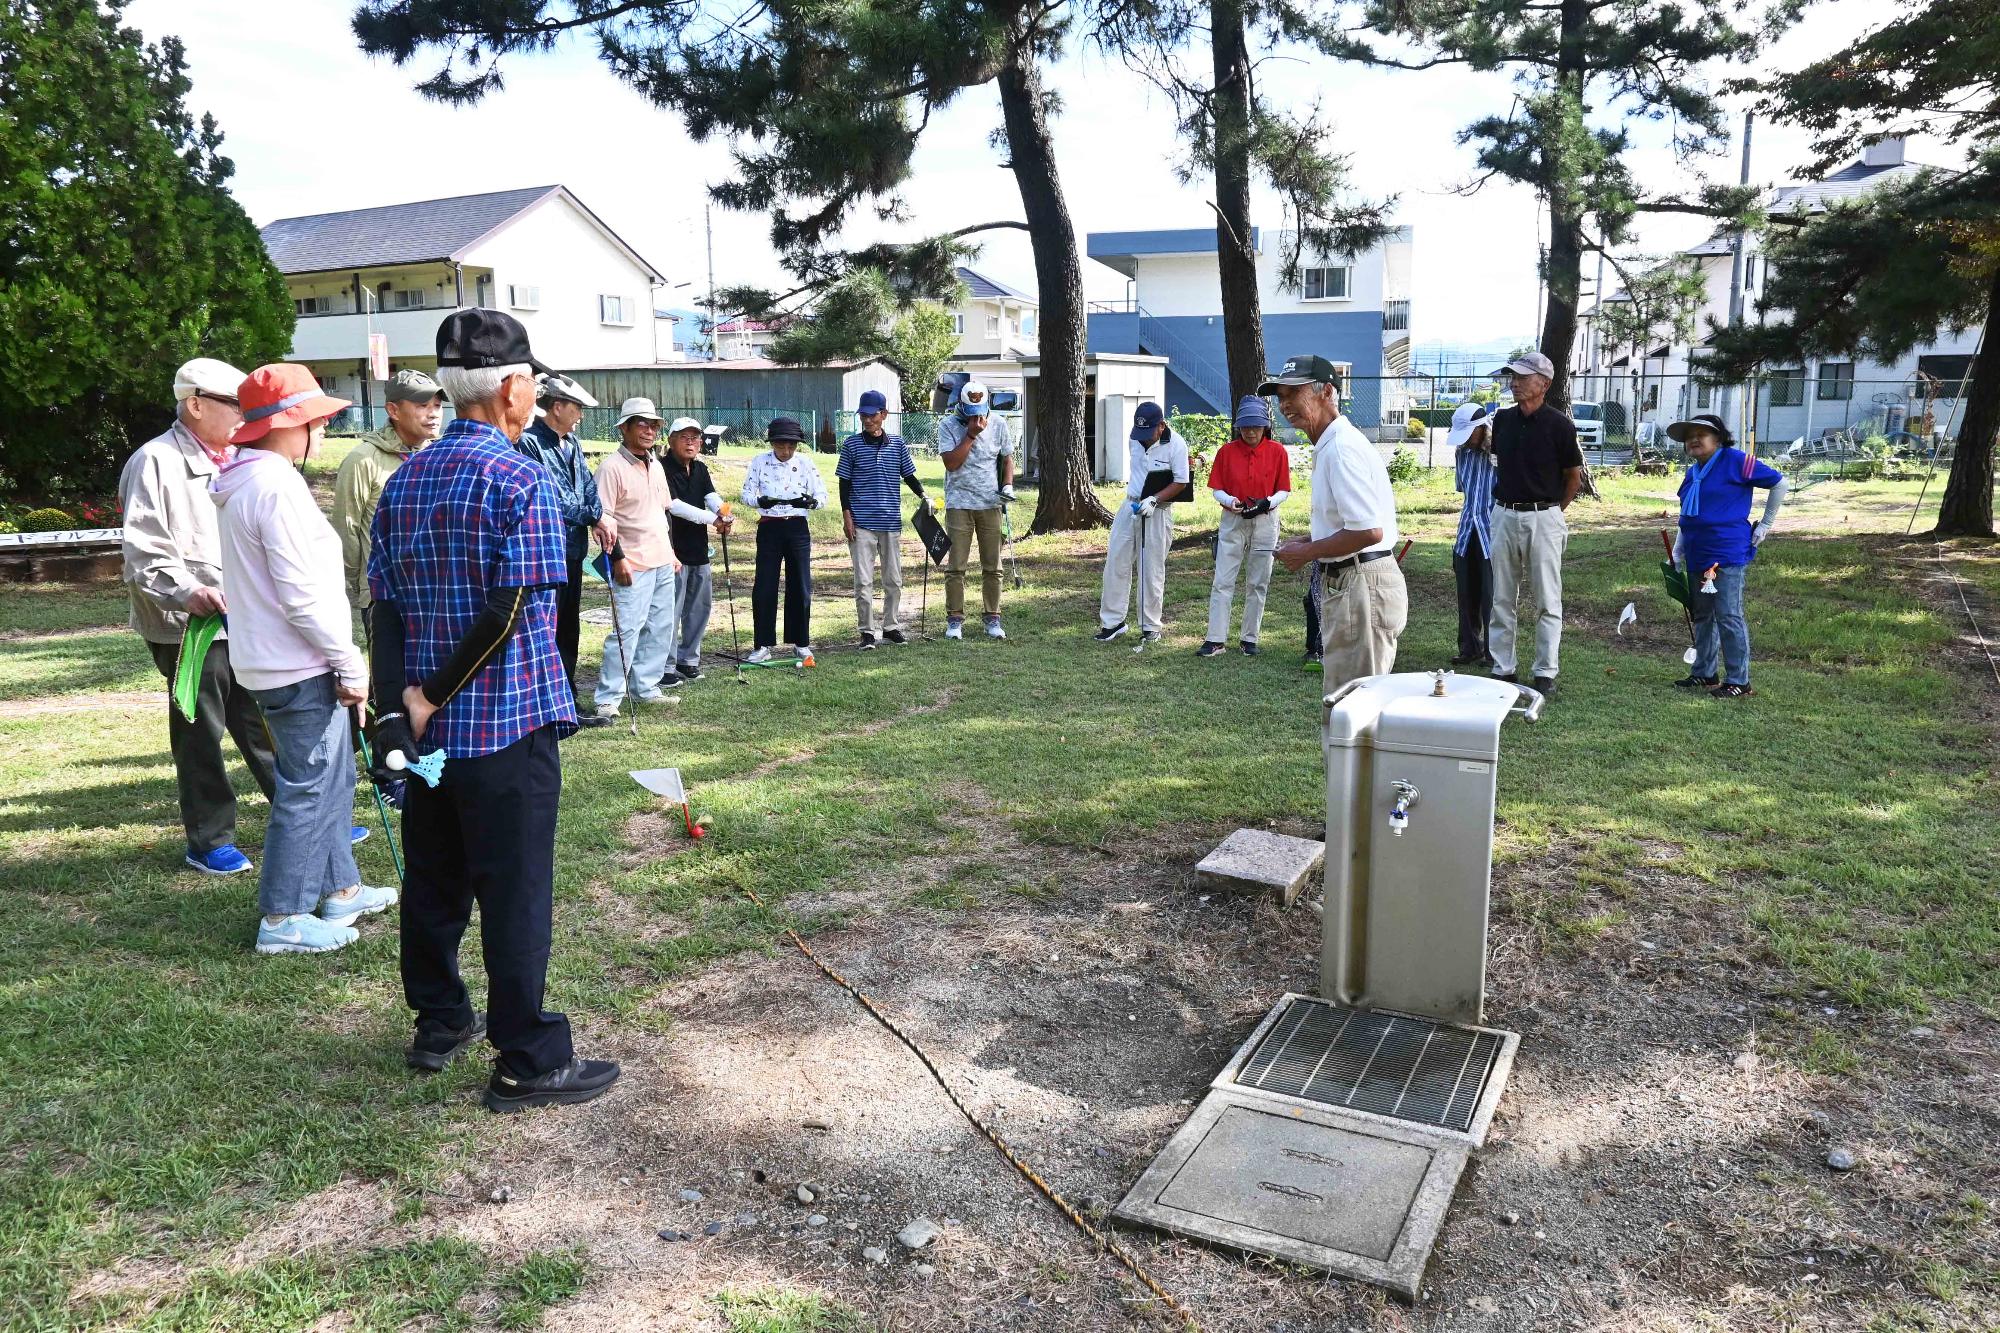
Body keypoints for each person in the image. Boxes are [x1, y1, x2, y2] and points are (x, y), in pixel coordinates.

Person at [368, 309, 618, 1112]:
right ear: (512, 388)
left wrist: (396, 707)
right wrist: (432, 692)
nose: (535, 391)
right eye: (533, 380)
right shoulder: (522, 480)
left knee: (435, 876)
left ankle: (439, 1020)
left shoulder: (405, 478)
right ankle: (528, 1058)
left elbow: (385, 608)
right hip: (501, 726)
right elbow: (510, 608)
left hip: (427, 733)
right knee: (514, 889)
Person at [213, 365, 397, 955]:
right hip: (299, 663)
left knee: (333, 776)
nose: (322, 429)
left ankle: (339, 888)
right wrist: (348, 661)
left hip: (282, 659)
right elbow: (302, 594)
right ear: (294, 425)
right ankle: (283, 917)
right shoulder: (274, 486)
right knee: (309, 787)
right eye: (317, 420)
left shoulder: (250, 479)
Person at [117, 357, 279, 876]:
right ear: (195, 404)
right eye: (237, 405)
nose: (244, 416)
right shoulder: (154, 462)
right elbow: (145, 553)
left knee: (262, 714)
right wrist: (188, 592)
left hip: (245, 615)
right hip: (187, 623)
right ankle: (210, 839)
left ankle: (303, 811)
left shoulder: (240, 455)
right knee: (200, 727)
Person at [1270, 355, 1407, 689]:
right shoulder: (1331, 445)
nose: (1285, 404)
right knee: (1346, 704)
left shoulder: (1341, 449)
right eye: (1281, 396)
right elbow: (1353, 523)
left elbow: (1368, 531)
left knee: (1358, 708)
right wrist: (1309, 540)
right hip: (1352, 580)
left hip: (1362, 582)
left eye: (1294, 394)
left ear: (1327, 391)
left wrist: (1308, 552)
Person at [1668, 413, 1788, 698]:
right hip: (1698, 553)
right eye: (1689, 435)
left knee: (1728, 614)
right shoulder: (1692, 473)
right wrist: (1678, 548)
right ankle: (1704, 674)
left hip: (1727, 552)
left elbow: (1779, 483)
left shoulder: (1736, 461)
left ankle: (1739, 680)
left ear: (1718, 438)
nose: (1694, 439)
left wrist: (1767, 523)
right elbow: (1688, 514)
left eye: (1702, 433)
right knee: (1703, 615)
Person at [1485, 351, 1583, 695]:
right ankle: (1503, 668)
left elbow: (1574, 477)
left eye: (1522, 377)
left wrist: (1553, 512)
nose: (1514, 382)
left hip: (1544, 516)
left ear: (1544, 383)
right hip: (1504, 513)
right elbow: (1498, 463)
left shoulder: (1560, 425)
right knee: (1501, 596)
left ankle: (1545, 672)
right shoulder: (1503, 420)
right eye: (1512, 376)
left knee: (1547, 598)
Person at [517, 373, 609, 724]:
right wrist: (592, 515)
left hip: (572, 550)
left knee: (569, 626)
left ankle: (566, 699)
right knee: (546, 627)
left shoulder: (571, 443)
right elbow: (550, 500)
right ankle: (545, 703)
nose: (580, 415)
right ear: (556, 407)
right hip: (544, 551)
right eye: (576, 408)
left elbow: (587, 487)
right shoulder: (529, 443)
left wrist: (596, 514)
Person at [332, 369, 444, 641]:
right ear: (393, 410)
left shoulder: (440, 456)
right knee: (389, 679)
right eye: (422, 405)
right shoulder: (363, 459)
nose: (433, 413)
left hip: (434, 590)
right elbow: (346, 528)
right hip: (383, 593)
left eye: (438, 406)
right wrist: (361, 584)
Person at [592, 398, 680, 716]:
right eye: (641, 423)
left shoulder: (655, 464)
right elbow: (602, 519)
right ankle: (608, 698)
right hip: (630, 562)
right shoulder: (611, 467)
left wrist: (671, 554)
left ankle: (646, 686)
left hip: (661, 560)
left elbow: (661, 513)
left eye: (653, 424)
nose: (648, 430)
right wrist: (618, 559)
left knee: (660, 627)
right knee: (626, 630)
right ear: (624, 428)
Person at [1200, 395, 1290, 657]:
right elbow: (1216, 488)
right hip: (1233, 519)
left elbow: (1283, 489)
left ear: (1266, 427)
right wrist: (1230, 501)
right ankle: (1215, 638)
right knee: (1222, 579)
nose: (1251, 432)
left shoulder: (1277, 452)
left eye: (1256, 426)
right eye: (1246, 426)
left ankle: (1249, 638)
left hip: (1265, 521)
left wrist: (1268, 502)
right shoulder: (1226, 452)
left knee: (1258, 581)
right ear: (1238, 427)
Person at [837, 389, 926, 648]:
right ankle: (866, 631)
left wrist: (923, 496)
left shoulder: (897, 444)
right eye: (863, 415)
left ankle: (891, 626)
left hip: (890, 522)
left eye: (871, 415)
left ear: (883, 415)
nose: (867, 420)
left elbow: (909, 475)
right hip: (861, 521)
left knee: (893, 579)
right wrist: (847, 516)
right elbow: (844, 482)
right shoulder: (851, 445)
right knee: (863, 581)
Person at [1095, 402, 1190, 646]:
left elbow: (1181, 482)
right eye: (1141, 434)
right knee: (1116, 561)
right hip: (1130, 504)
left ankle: (1150, 626)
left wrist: (1155, 499)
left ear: (1161, 425)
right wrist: (1140, 498)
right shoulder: (1135, 438)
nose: (1144, 439)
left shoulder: (1176, 445)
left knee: (1151, 569)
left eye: (1149, 433)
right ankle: (1113, 623)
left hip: (1158, 510)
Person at [741, 416, 829, 662]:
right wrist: (759, 501)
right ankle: (762, 645)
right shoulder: (760, 462)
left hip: (797, 527)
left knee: (800, 584)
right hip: (770, 527)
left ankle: (801, 642)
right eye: (781, 445)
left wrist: (812, 502)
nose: (786, 451)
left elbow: (822, 494)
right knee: (765, 585)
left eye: (791, 446)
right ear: (772, 443)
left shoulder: (805, 463)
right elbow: (746, 493)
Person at [935, 380, 1015, 640]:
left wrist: (1008, 485)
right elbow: (951, 464)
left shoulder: (999, 423)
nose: (977, 417)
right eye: (971, 412)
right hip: (959, 504)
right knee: (956, 566)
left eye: (980, 411)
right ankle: (955, 620)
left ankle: (992, 618)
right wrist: (970, 435)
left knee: (993, 565)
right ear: (961, 404)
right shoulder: (948, 425)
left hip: (990, 503)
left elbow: (1006, 458)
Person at [660, 415, 733, 681]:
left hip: (699, 549)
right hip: (672, 550)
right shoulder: (661, 467)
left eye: (695, 438)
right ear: (671, 440)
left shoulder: (700, 469)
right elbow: (673, 505)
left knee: (699, 608)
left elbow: (710, 496)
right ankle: (666, 665)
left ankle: (688, 659)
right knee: (671, 610)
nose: (690, 443)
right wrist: (711, 518)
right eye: (684, 437)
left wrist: (724, 512)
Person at [1448, 400, 1499, 667]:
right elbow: (1464, 491)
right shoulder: (1461, 453)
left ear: (1482, 428)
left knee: (1491, 595)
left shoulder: (1501, 451)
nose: (1466, 441)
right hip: (1467, 532)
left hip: (1493, 534)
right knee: (1466, 593)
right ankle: (1469, 647)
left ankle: (1493, 651)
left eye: (1469, 435)